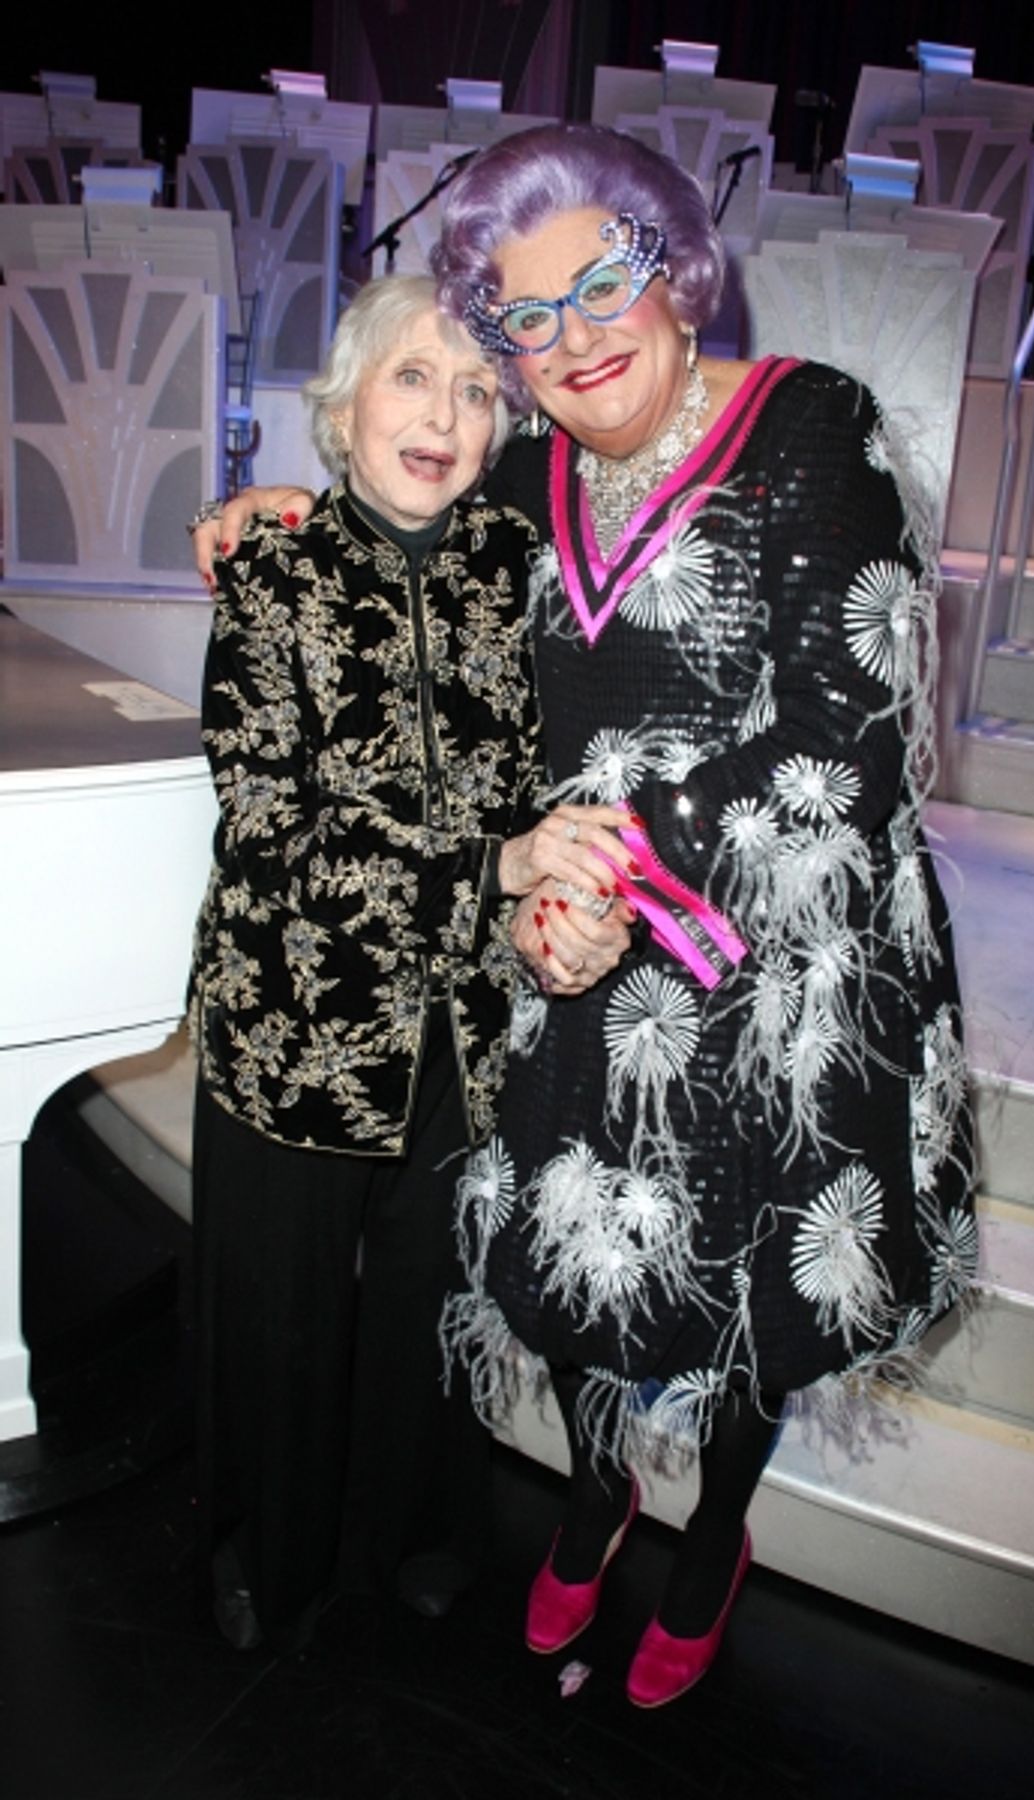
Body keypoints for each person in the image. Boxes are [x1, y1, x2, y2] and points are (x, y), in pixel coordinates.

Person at [198, 122, 977, 1705]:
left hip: (773, 960)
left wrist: (602, 870)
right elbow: (410, 547)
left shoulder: (810, 424)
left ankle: (715, 1537)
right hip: (566, 951)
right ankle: (596, 1493)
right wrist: (285, 510)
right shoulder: (523, 473)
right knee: (568, 1254)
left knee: (753, 1270)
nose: (575, 338)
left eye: (604, 284)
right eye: (527, 318)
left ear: (677, 269)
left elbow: (855, 727)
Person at [188, 272, 633, 1655]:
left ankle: (419, 1532)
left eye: (474, 389)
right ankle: (265, 1547)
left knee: (432, 1305)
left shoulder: (521, 566)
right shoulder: (274, 571)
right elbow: (270, 829)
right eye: (411, 378)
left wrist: (560, 897)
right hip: (294, 1021)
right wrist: (492, 868)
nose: (443, 416)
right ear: (345, 406)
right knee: (281, 1314)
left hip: (462, 1024)